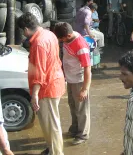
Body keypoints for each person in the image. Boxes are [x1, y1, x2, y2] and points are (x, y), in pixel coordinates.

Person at [17, 12, 65, 155]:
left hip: (47, 88)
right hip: (54, 81)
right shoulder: (49, 34)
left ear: (25, 30)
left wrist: (35, 95)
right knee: (50, 122)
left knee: (51, 124)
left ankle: (56, 152)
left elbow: (39, 73)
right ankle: (52, 149)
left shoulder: (38, 43)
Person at [54, 22, 91, 145]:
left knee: (81, 109)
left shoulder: (81, 46)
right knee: (72, 105)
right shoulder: (68, 39)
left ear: (68, 35)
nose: (61, 41)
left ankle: (83, 134)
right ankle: (75, 129)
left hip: (79, 81)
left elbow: (87, 69)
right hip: (70, 79)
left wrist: (84, 89)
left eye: (62, 39)